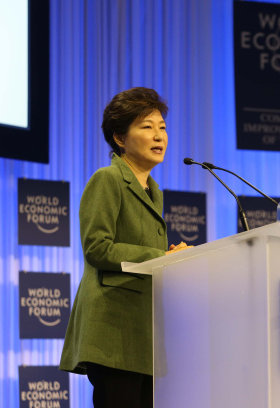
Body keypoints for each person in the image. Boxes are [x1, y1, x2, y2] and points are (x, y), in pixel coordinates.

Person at [60, 87, 191, 408]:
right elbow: (97, 248)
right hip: (113, 330)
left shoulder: (153, 191)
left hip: (142, 333)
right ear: (120, 138)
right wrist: (161, 257)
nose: (159, 135)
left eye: (162, 127)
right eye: (147, 127)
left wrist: (172, 262)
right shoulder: (107, 180)